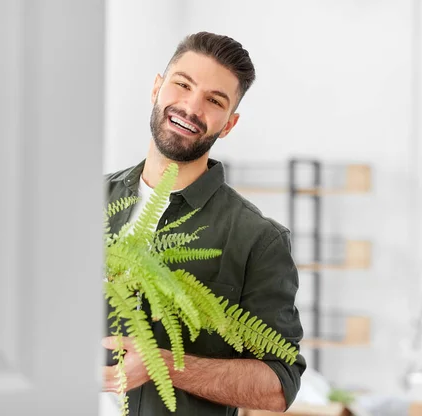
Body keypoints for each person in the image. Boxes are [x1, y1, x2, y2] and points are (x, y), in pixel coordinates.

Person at [102, 31, 306, 415]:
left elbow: (281, 384)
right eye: (182, 84)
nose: (191, 107)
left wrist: (163, 364)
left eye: (214, 100)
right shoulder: (80, 202)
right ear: (157, 88)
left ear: (229, 124)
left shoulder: (257, 239)